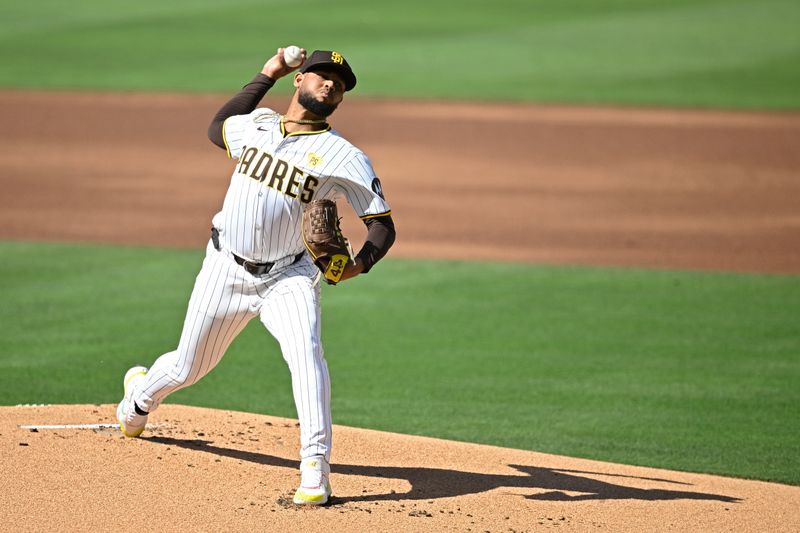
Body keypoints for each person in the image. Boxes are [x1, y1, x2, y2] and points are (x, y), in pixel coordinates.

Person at [116, 47, 396, 506]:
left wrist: (358, 265)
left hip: (289, 276)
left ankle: (315, 470)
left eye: (339, 84)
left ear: (341, 100)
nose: (330, 85)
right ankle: (138, 399)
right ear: (299, 81)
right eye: (322, 76)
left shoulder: (345, 157)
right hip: (224, 267)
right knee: (189, 366)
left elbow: (382, 224)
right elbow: (215, 128)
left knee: (307, 355)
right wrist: (267, 72)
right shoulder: (258, 124)